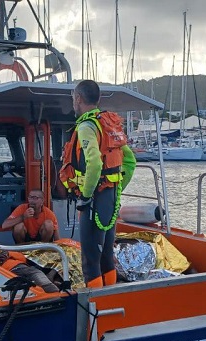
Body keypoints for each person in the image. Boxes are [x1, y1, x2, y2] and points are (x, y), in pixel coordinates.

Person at [61, 79, 136, 288]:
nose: (73, 102)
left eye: (73, 98)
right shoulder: (108, 124)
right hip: (109, 200)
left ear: (78, 98)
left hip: (94, 200)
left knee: (90, 260)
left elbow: (94, 163)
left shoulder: (87, 126)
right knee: (106, 255)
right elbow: (130, 161)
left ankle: (95, 304)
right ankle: (110, 295)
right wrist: (115, 188)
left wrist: (86, 196)